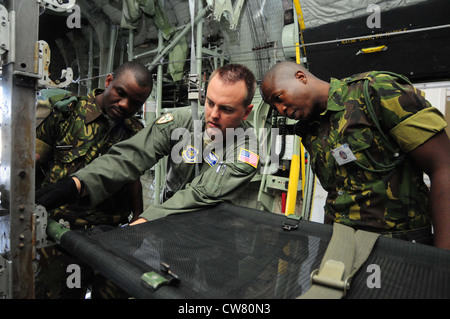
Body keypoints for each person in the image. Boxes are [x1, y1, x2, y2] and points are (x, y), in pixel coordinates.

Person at [36, 63, 259, 225]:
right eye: (210, 103)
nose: (213, 115)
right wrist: (77, 183)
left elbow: (201, 194)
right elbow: (132, 156)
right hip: (167, 227)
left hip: (212, 236)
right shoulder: (183, 120)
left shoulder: (247, 149)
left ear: (246, 112)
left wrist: (143, 221)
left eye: (226, 109)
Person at [261, 61, 450, 250]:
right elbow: (337, 192)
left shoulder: (375, 91)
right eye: (274, 106)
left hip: (396, 243)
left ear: (301, 78)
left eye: (278, 97)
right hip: (340, 242)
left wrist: (441, 259)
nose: (280, 110)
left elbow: (443, 167)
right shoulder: (310, 130)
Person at [35, 61, 153, 298]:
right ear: (109, 81)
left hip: (110, 237)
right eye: (121, 93)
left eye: (135, 103)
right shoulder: (66, 113)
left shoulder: (135, 132)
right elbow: (31, 162)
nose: (124, 105)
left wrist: (138, 221)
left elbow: (132, 178)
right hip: (61, 235)